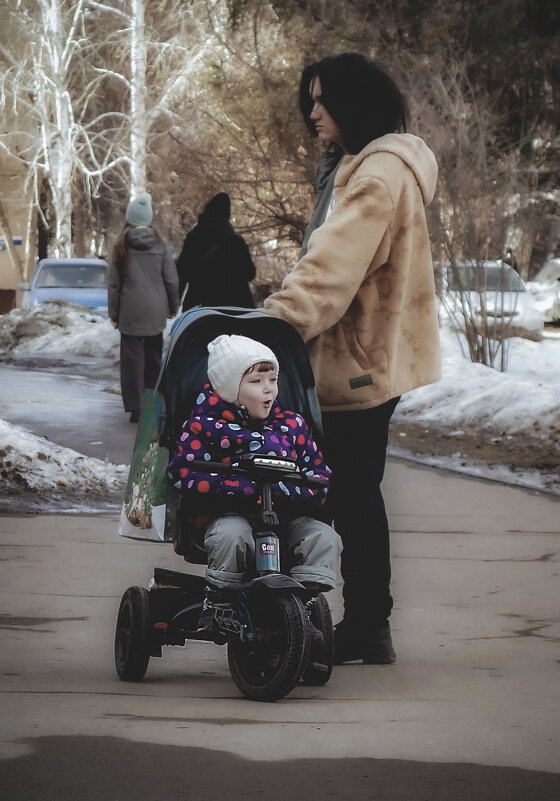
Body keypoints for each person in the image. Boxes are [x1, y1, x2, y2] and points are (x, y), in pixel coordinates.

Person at [263, 53, 441, 665]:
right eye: (310, 99)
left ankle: (363, 624)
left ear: (354, 104)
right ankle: (362, 622)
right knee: (351, 494)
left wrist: (275, 322)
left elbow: (331, 267)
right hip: (360, 360)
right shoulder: (355, 167)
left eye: (324, 100)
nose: (313, 112)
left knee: (345, 496)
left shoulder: (376, 176)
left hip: (355, 364)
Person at [167, 334, 342, 630]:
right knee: (231, 536)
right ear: (230, 387)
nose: (268, 388)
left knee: (324, 538)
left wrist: (291, 487)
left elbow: (319, 474)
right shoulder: (204, 426)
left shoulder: (292, 425)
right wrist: (237, 486)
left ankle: (304, 603)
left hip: (285, 515)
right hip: (230, 513)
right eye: (256, 381)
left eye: (273, 379)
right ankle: (219, 601)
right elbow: (182, 472)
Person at [109, 194, 179, 423]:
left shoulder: (121, 244)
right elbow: (171, 279)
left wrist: (114, 313)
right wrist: (172, 306)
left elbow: (114, 284)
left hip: (130, 310)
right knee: (153, 359)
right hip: (155, 310)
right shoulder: (160, 244)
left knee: (132, 361)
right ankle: (153, 403)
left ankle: (135, 408)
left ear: (130, 218)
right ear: (149, 219)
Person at [176, 192, 256, 311]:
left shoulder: (194, 239)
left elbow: (182, 272)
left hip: (199, 305)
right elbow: (250, 273)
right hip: (233, 307)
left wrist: (174, 302)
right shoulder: (236, 242)